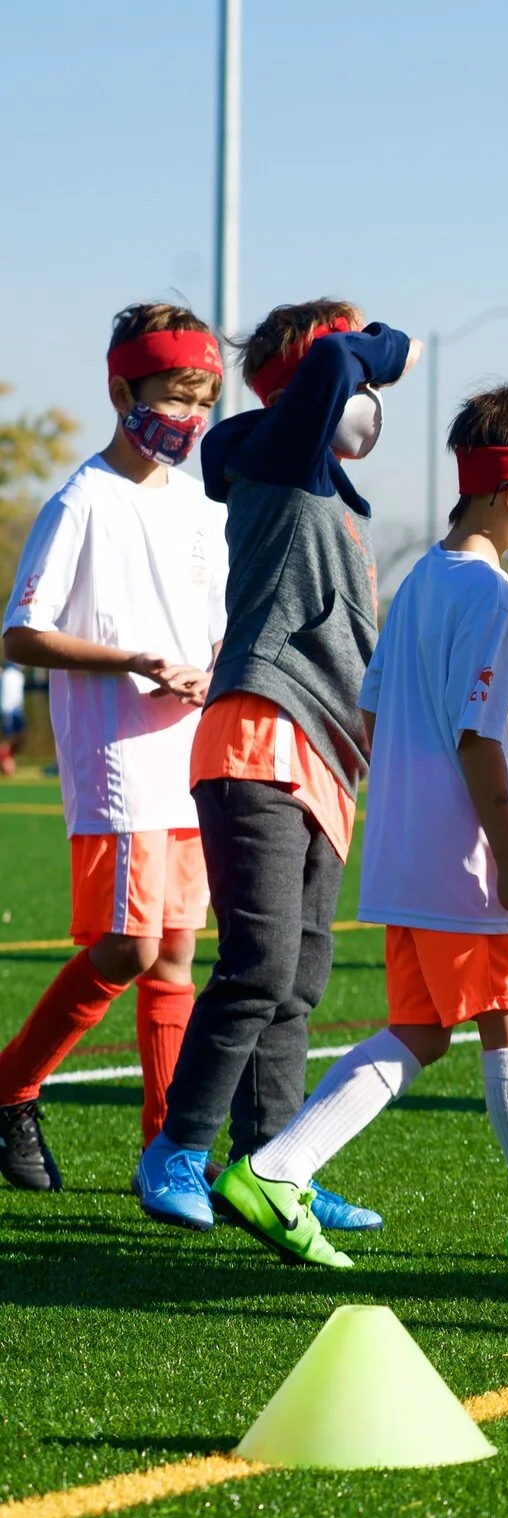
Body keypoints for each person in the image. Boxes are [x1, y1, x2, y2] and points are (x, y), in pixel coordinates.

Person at [209, 388, 508, 1269]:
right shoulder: (490, 599)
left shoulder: (421, 577)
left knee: (420, 1031)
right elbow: (480, 738)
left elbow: (374, 717)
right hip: (469, 870)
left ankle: (275, 1167)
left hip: (408, 861)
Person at [133, 299, 411, 1233]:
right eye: (355, 371)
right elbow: (332, 370)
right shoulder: (281, 457)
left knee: (296, 983)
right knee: (255, 965)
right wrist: (372, 347)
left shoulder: (308, 474)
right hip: (260, 734)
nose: (370, 388)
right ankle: (176, 1149)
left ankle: (271, 1164)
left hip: (326, 754)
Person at [0, 304, 228, 1193]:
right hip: (120, 763)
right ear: (121, 389)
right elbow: (21, 634)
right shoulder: (82, 499)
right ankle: (12, 1087)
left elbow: (212, 630)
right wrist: (131, 659)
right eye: (176, 397)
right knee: (130, 948)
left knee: (175, 955)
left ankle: (166, 1153)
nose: (190, 418)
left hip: (188, 761)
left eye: (203, 400)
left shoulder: (206, 512)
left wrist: (210, 672)